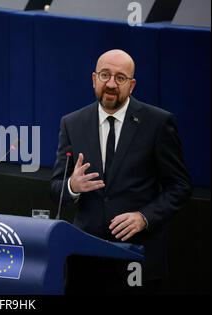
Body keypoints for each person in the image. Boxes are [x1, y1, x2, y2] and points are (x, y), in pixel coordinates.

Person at [50, 49, 191, 294]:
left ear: (132, 84)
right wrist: (72, 186)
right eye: (105, 75)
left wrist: (144, 217)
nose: (111, 84)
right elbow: (56, 190)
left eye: (120, 78)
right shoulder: (72, 123)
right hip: (85, 261)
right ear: (94, 79)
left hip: (136, 257)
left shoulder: (158, 123)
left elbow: (180, 186)